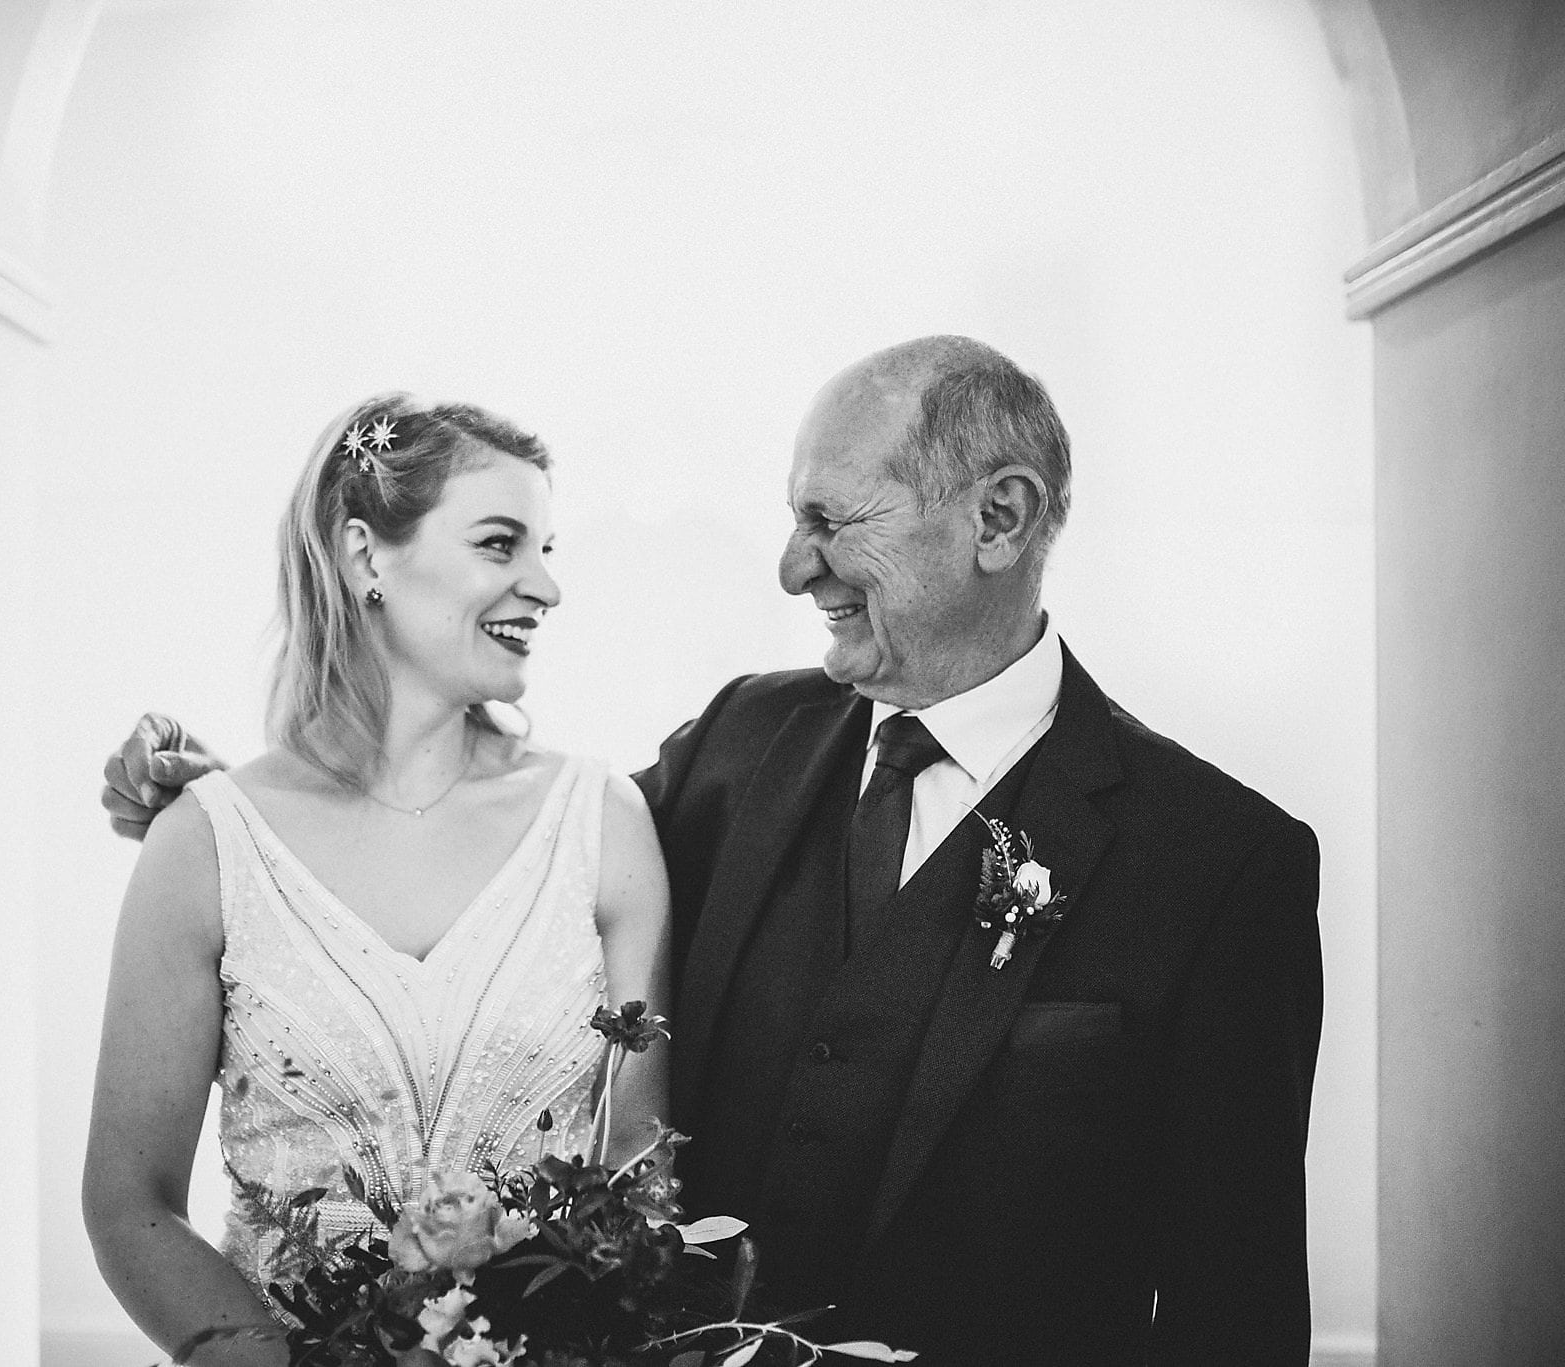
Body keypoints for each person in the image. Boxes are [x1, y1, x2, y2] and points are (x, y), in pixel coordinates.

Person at [106, 337, 1324, 1366]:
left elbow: (1238, 1310)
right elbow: (484, 870)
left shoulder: (1219, 866)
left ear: (995, 518)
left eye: (827, 520)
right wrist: (231, 822)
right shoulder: (742, 745)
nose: (792, 565)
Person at [83, 395, 671, 1365]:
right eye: (500, 543)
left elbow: (634, 1172)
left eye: (547, 549)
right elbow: (126, 1197)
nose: (544, 586)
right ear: (364, 557)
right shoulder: (204, 843)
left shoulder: (599, 824)